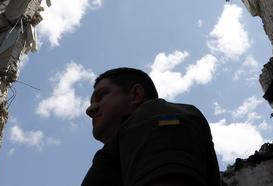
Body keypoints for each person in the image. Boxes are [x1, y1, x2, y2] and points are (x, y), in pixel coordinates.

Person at [81, 67, 221, 186]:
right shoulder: (120, 147)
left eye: (101, 96)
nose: (90, 109)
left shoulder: (154, 114)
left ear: (135, 95)